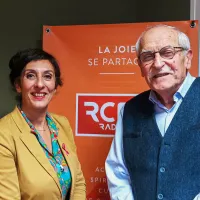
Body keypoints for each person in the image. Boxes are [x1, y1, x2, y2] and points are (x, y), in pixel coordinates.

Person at [105, 24, 200, 200]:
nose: (157, 63)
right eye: (148, 56)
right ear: (141, 66)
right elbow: (118, 173)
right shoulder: (129, 110)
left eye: (167, 52)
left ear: (188, 58)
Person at [0, 48, 86, 200]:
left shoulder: (62, 124)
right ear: (18, 85)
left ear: (55, 86)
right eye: (31, 76)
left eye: (47, 76)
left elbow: (78, 181)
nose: (40, 84)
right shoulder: (4, 133)